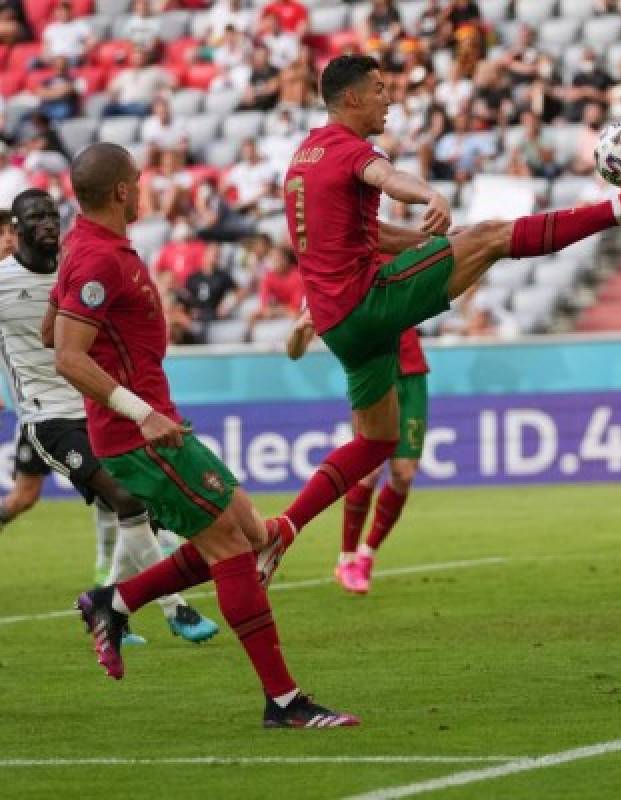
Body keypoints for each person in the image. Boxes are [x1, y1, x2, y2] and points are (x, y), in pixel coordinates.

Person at [271, 54, 621, 547]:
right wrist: (430, 196)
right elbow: (386, 178)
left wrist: (430, 241)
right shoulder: (350, 149)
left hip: (340, 328)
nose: (388, 99)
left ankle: (284, 528)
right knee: (493, 237)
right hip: (366, 303)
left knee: (375, 442)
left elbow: (366, 235)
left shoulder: (307, 155)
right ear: (350, 98)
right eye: (378, 89)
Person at [57, 143, 358, 728]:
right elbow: (68, 355)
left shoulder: (86, 247)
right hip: (142, 435)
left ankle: (114, 602)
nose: (144, 189)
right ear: (122, 191)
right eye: (138, 181)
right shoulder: (97, 258)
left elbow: (53, 328)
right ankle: (285, 702)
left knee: (247, 530)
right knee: (234, 548)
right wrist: (137, 409)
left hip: (154, 426)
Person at [0, 189, 219, 642]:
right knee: (122, 498)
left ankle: (106, 610)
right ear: (16, 230)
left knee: (131, 505)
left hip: (97, 407)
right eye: (34, 218)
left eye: (51, 215)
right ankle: (175, 609)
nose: (46, 224)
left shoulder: (76, 270)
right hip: (50, 420)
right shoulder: (2, 282)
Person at [286, 312, 429, 594]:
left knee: (404, 473)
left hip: (411, 373)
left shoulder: (394, 265)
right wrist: (300, 328)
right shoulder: (328, 278)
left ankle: (367, 553)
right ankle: (347, 558)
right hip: (371, 369)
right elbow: (294, 352)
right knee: (369, 468)